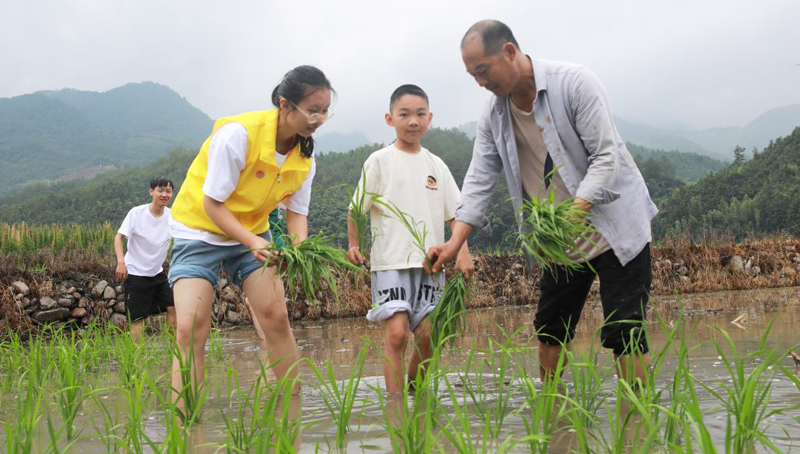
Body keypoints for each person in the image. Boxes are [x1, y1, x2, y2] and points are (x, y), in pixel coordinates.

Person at [426, 20, 658, 385]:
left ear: (509, 51)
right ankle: (552, 413)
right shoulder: (493, 113)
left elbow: (606, 158)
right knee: (551, 328)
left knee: (624, 330)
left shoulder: (575, 83)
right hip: (558, 241)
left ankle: (638, 423)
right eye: (472, 75)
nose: (481, 83)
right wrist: (454, 242)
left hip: (614, 229)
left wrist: (573, 213)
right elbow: (480, 177)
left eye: (483, 71)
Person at [168, 65, 333, 402]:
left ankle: (292, 410)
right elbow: (213, 204)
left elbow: (297, 215)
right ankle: (185, 425)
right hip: (199, 231)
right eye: (312, 110)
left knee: (275, 316)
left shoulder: (304, 160)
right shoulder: (238, 135)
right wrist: (253, 241)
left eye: (325, 111)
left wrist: (298, 253)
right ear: (285, 105)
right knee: (190, 328)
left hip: (253, 233)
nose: (318, 118)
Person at [347, 84, 473, 392]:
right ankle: (396, 407)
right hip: (390, 262)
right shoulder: (379, 161)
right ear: (390, 119)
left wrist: (463, 252)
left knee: (430, 335)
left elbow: (457, 214)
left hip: (431, 264)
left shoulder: (436, 165)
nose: (413, 121)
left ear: (430, 118)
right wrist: (353, 244)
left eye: (419, 114)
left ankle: (415, 394)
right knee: (398, 335)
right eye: (404, 114)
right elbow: (356, 209)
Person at [114, 176, 177, 342]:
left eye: (168, 191)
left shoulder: (172, 216)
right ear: (151, 192)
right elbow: (118, 237)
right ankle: (137, 356)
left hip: (157, 273)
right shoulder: (136, 213)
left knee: (173, 307)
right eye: (160, 190)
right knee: (137, 317)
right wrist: (121, 262)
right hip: (136, 272)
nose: (164, 194)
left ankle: (175, 349)